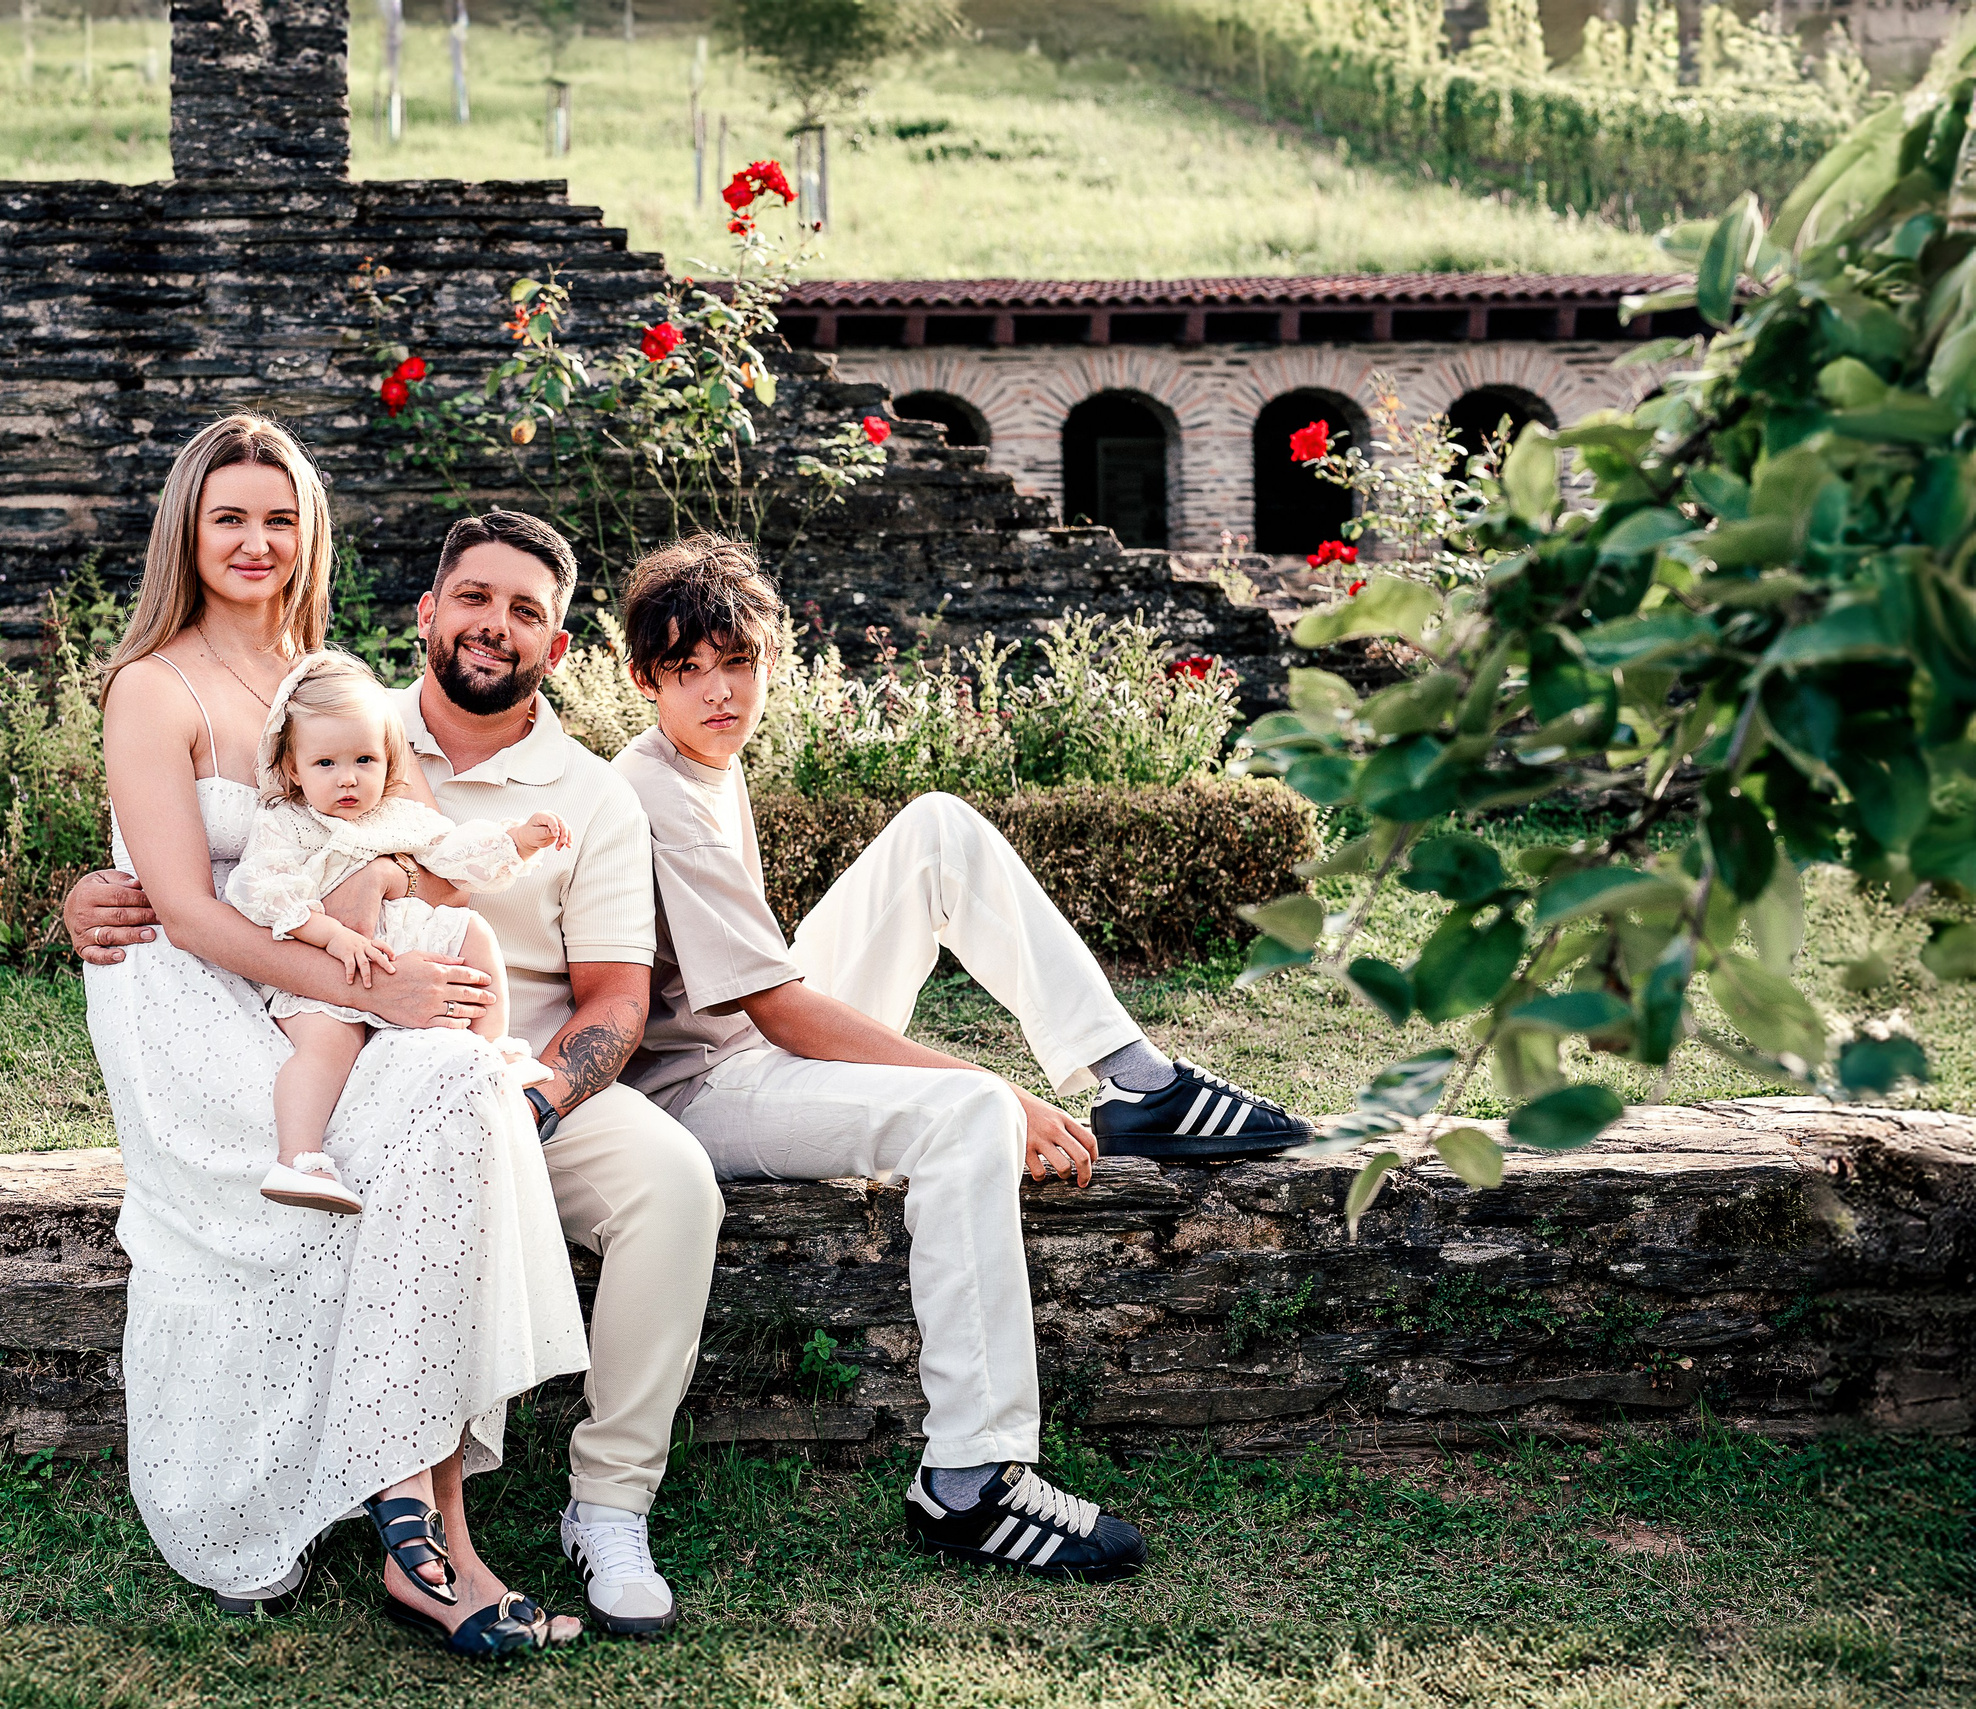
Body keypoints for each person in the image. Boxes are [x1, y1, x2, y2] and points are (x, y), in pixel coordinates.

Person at [607, 534, 1313, 1579]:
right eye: (688, 671)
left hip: (750, 1040)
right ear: (644, 678)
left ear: (769, 659)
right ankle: (968, 1481)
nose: (719, 691)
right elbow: (784, 1014)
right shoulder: (656, 791)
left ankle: (1137, 1078)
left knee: (937, 827)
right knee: (969, 1116)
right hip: (699, 1090)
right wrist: (983, 1083)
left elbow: (775, 1000)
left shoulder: (710, 762)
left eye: (737, 662)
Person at [70, 508, 720, 1638]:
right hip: (320, 1015)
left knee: (628, 1168)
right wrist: (97, 891)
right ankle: (423, 1522)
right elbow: (212, 871)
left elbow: (605, 990)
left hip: (507, 1053)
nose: (492, 626)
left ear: (556, 645)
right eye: (473, 598)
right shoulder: (352, 714)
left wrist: (534, 1087)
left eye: (526, 612)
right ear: (426, 612)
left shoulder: (579, 788)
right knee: (432, 1113)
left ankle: (587, 1508)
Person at [224, 649, 571, 1215]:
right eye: (325, 764)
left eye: (364, 760)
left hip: (398, 954)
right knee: (328, 1044)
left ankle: (494, 1049)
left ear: (389, 762)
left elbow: (454, 856)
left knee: (474, 932)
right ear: (292, 769)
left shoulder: (395, 815)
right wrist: (334, 938)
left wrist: (517, 839)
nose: (348, 779)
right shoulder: (287, 823)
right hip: (322, 969)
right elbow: (262, 893)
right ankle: (299, 1157)